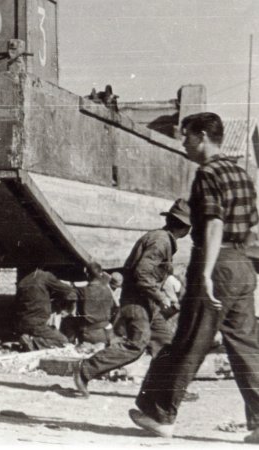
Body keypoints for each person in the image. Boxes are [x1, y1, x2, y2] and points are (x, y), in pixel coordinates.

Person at [130, 113, 259, 441]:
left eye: (186, 136)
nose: (183, 143)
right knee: (246, 346)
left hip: (215, 263)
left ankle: (159, 415)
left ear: (202, 136)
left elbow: (214, 223)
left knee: (189, 339)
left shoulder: (207, 173)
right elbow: (252, 221)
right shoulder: (242, 175)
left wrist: (205, 272)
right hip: (243, 264)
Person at [73, 199, 191, 397]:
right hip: (138, 302)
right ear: (185, 228)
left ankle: (168, 390)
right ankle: (85, 370)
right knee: (136, 345)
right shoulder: (161, 241)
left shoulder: (161, 239)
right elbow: (142, 274)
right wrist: (161, 296)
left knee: (164, 342)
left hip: (146, 302)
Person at [15, 267, 77, 350]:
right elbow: (68, 290)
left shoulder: (23, 281)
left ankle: (28, 337)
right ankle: (33, 342)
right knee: (63, 341)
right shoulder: (45, 276)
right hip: (38, 324)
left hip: (23, 323)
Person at [74, 262, 116, 346]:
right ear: (100, 273)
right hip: (109, 333)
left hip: (91, 334)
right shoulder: (107, 289)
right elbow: (113, 307)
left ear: (87, 275)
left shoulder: (83, 291)